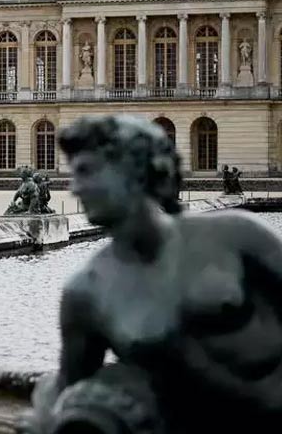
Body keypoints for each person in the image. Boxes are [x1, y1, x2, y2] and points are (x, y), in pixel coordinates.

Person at [20, 114, 282, 434]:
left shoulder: (235, 234)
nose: (75, 188)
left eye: (86, 172)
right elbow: (69, 382)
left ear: (134, 169)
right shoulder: (85, 293)